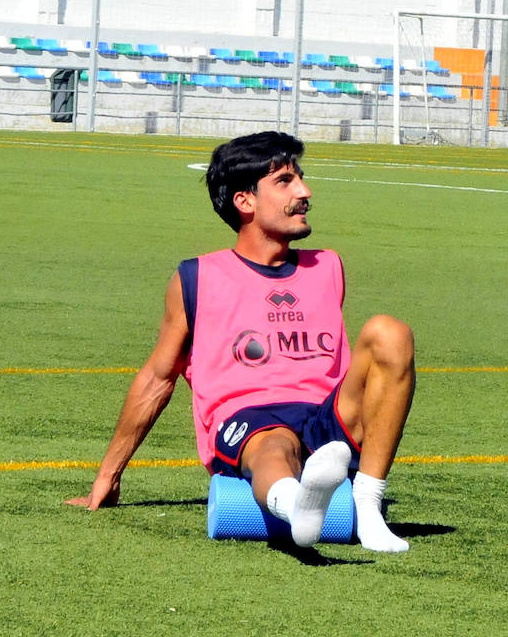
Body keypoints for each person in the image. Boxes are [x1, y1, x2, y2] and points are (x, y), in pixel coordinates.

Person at [68, 131, 417, 553]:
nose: (305, 192)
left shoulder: (328, 266)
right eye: (285, 182)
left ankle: (367, 505)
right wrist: (109, 474)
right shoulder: (197, 278)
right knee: (274, 445)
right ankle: (296, 505)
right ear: (245, 201)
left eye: (301, 178)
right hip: (248, 421)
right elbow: (158, 379)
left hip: (327, 417)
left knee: (390, 332)